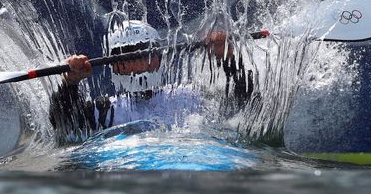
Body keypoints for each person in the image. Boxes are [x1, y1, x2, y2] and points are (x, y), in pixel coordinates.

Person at [48, 17, 254, 142]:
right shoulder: (103, 111)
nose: (139, 63)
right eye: (128, 55)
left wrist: (228, 60)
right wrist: (70, 83)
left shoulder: (191, 95)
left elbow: (245, 104)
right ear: (115, 65)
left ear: (158, 59)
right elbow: (62, 125)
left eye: (145, 53)